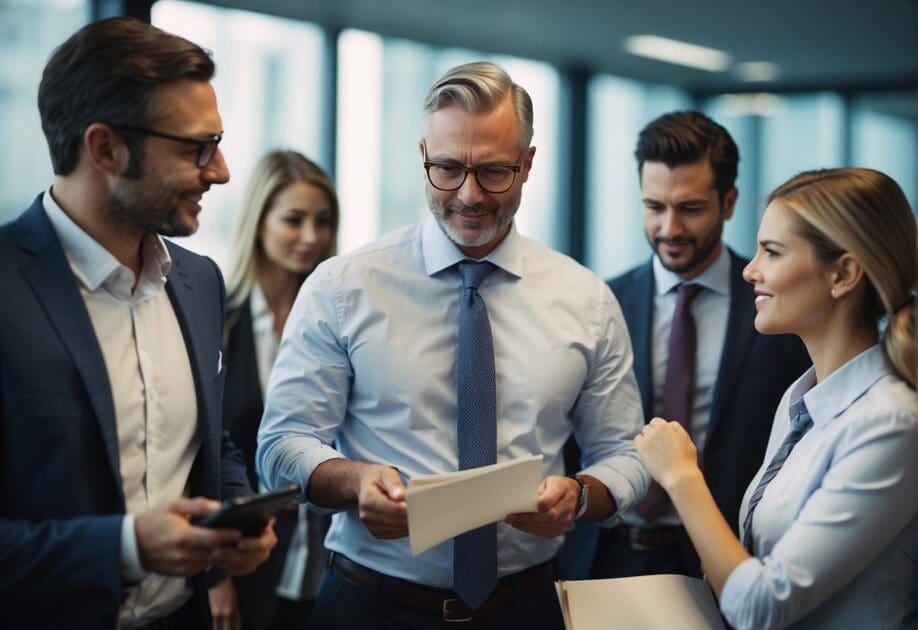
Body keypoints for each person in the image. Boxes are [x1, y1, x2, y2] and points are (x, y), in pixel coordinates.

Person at [257, 61, 648, 628]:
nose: (469, 195)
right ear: (422, 157)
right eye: (447, 168)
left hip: (525, 608)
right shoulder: (343, 287)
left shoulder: (586, 299)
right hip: (369, 606)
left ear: (528, 164)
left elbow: (627, 454)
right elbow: (281, 445)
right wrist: (356, 480)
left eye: (494, 172)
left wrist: (581, 496)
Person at [0, 17, 276, 629]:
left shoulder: (201, 283)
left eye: (220, 141)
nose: (222, 170)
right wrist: (126, 547)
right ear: (104, 148)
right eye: (194, 147)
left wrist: (237, 513)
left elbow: (210, 438)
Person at [637, 167, 916, 628]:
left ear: (844, 273)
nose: (750, 270)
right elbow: (756, 568)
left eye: (772, 252)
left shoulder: (893, 423)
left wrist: (681, 477)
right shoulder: (800, 400)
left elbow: (760, 607)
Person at [579, 111, 810, 580]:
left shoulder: (782, 305)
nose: (670, 228)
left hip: (726, 557)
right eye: (654, 206)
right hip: (605, 553)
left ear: (728, 202)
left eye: (690, 208)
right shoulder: (599, 302)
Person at [208, 151, 338, 630]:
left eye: (322, 222)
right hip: (247, 564)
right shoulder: (217, 320)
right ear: (258, 222)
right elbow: (199, 456)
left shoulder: (338, 321)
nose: (310, 236)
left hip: (331, 562)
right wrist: (214, 577)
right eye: (293, 220)